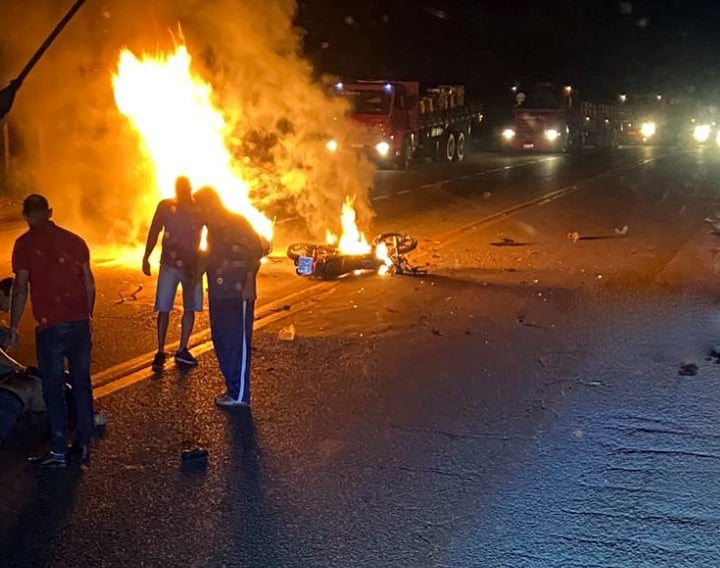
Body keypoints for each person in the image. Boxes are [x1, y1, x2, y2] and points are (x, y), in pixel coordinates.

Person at [10, 194, 96, 468]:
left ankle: (59, 449)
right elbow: (89, 283)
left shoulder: (24, 245)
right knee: (82, 383)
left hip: (50, 326)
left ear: (26, 216)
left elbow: (21, 287)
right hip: (79, 323)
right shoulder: (74, 240)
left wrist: (13, 325)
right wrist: (87, 315)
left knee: (53, 386)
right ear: (50, 211)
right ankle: (82, 444)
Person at [193, 187, 268, 408]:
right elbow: (211, 256)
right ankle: (232, 388)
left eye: (201, 207)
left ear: (210, 205)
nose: (199, 212)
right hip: (219, 293)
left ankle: (240, 395)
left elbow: (256, 251)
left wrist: (249, 281)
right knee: (222, 339)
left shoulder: (236, 222)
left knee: (238, 343)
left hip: (237, 294)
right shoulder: (213, 229)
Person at [142, 176, 203, 371]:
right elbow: (154, 230)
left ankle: (182, 348)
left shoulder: (198, 208)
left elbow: (213, 232)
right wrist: (146, 256)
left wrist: (207, 260)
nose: (183, 191)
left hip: (191, 265)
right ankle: (161, 350)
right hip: (171, 264)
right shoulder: (167, 206)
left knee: (188, 307)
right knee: (164, 307)